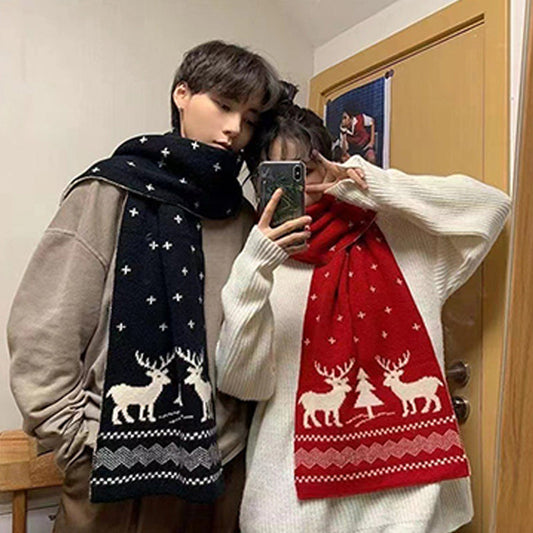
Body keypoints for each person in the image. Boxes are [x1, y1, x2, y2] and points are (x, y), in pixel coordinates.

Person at [7, 40, 282, 533]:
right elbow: (43, 331)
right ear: (182, 94)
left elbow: (251, 340)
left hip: (218, 473)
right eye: (223, 105)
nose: (234, 129)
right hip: (110, 475)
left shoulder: (243, 218)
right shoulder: (107, 190)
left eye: (249, 118)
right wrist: (78, 445)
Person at [215, 101, 511, 532]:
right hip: (291, 505)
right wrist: (256, 264)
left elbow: (491, 206)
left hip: (405, 504)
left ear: (328, 163)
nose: (295, 188)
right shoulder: (261, 266)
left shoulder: (404, 238)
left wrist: (369, 182)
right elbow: (243, 383)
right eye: (275, 174)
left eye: (305, 170)